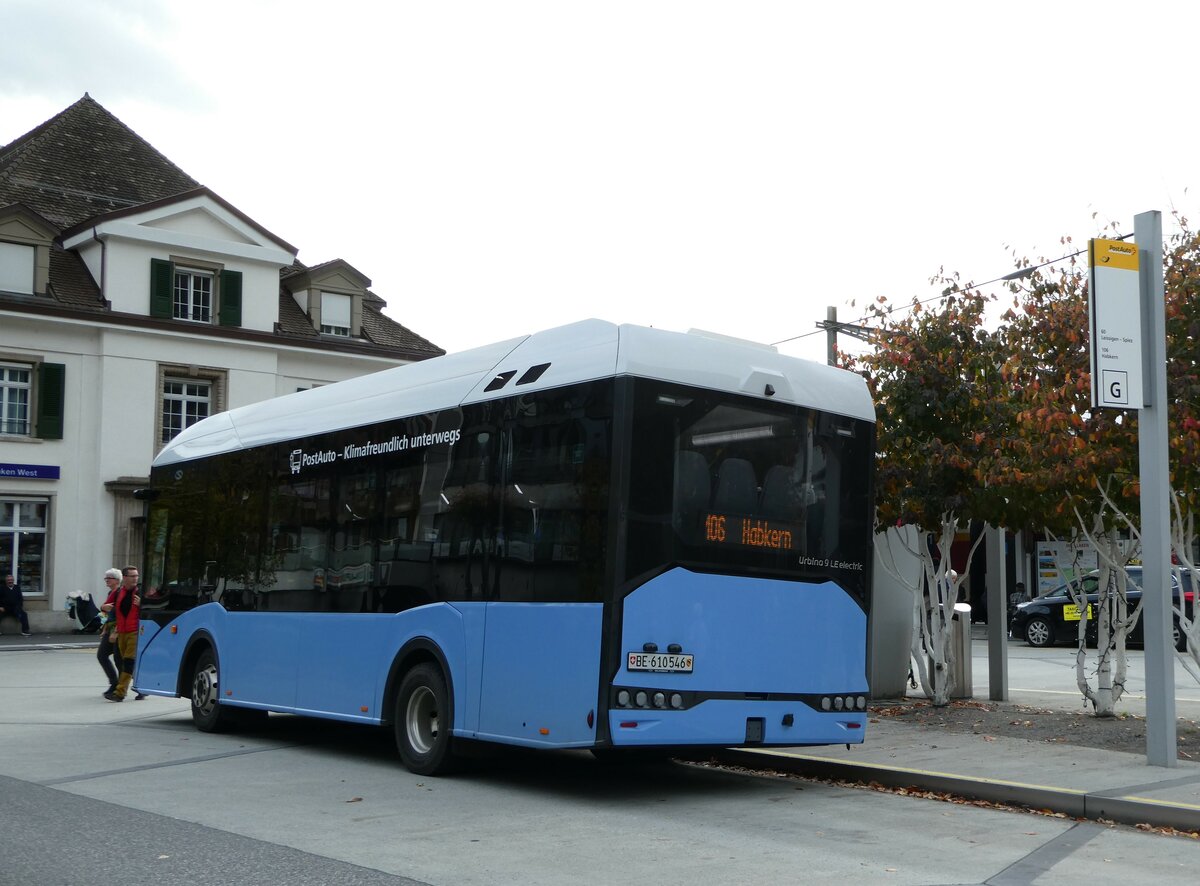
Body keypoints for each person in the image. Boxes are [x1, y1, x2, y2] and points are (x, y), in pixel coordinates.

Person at [105, 565, 145, 702]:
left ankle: (120, 692)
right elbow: (104, 606)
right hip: (121, 632)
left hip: (136, 632)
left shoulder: (142, 592)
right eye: (132, 576)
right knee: (123, 662)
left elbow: (155, 608)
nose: (135, 578)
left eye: (137, 576)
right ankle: (142, 687)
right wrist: (105, 607)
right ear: (125, 578)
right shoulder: (117, 593)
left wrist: (143, 605)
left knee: (128, 661)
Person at [97, 568, 123, 695]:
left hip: (118, 630)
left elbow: (121, 614)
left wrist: (116, 632)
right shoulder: (111, 593)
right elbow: (108, 613)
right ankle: (114, 682)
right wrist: (105, 629)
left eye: (110, 578)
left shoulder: (120, 593)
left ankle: (136, 687)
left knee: (121, 660)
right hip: (110, 629)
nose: (106, 580)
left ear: (117, 580)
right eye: (106, 578)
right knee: (102, 655)